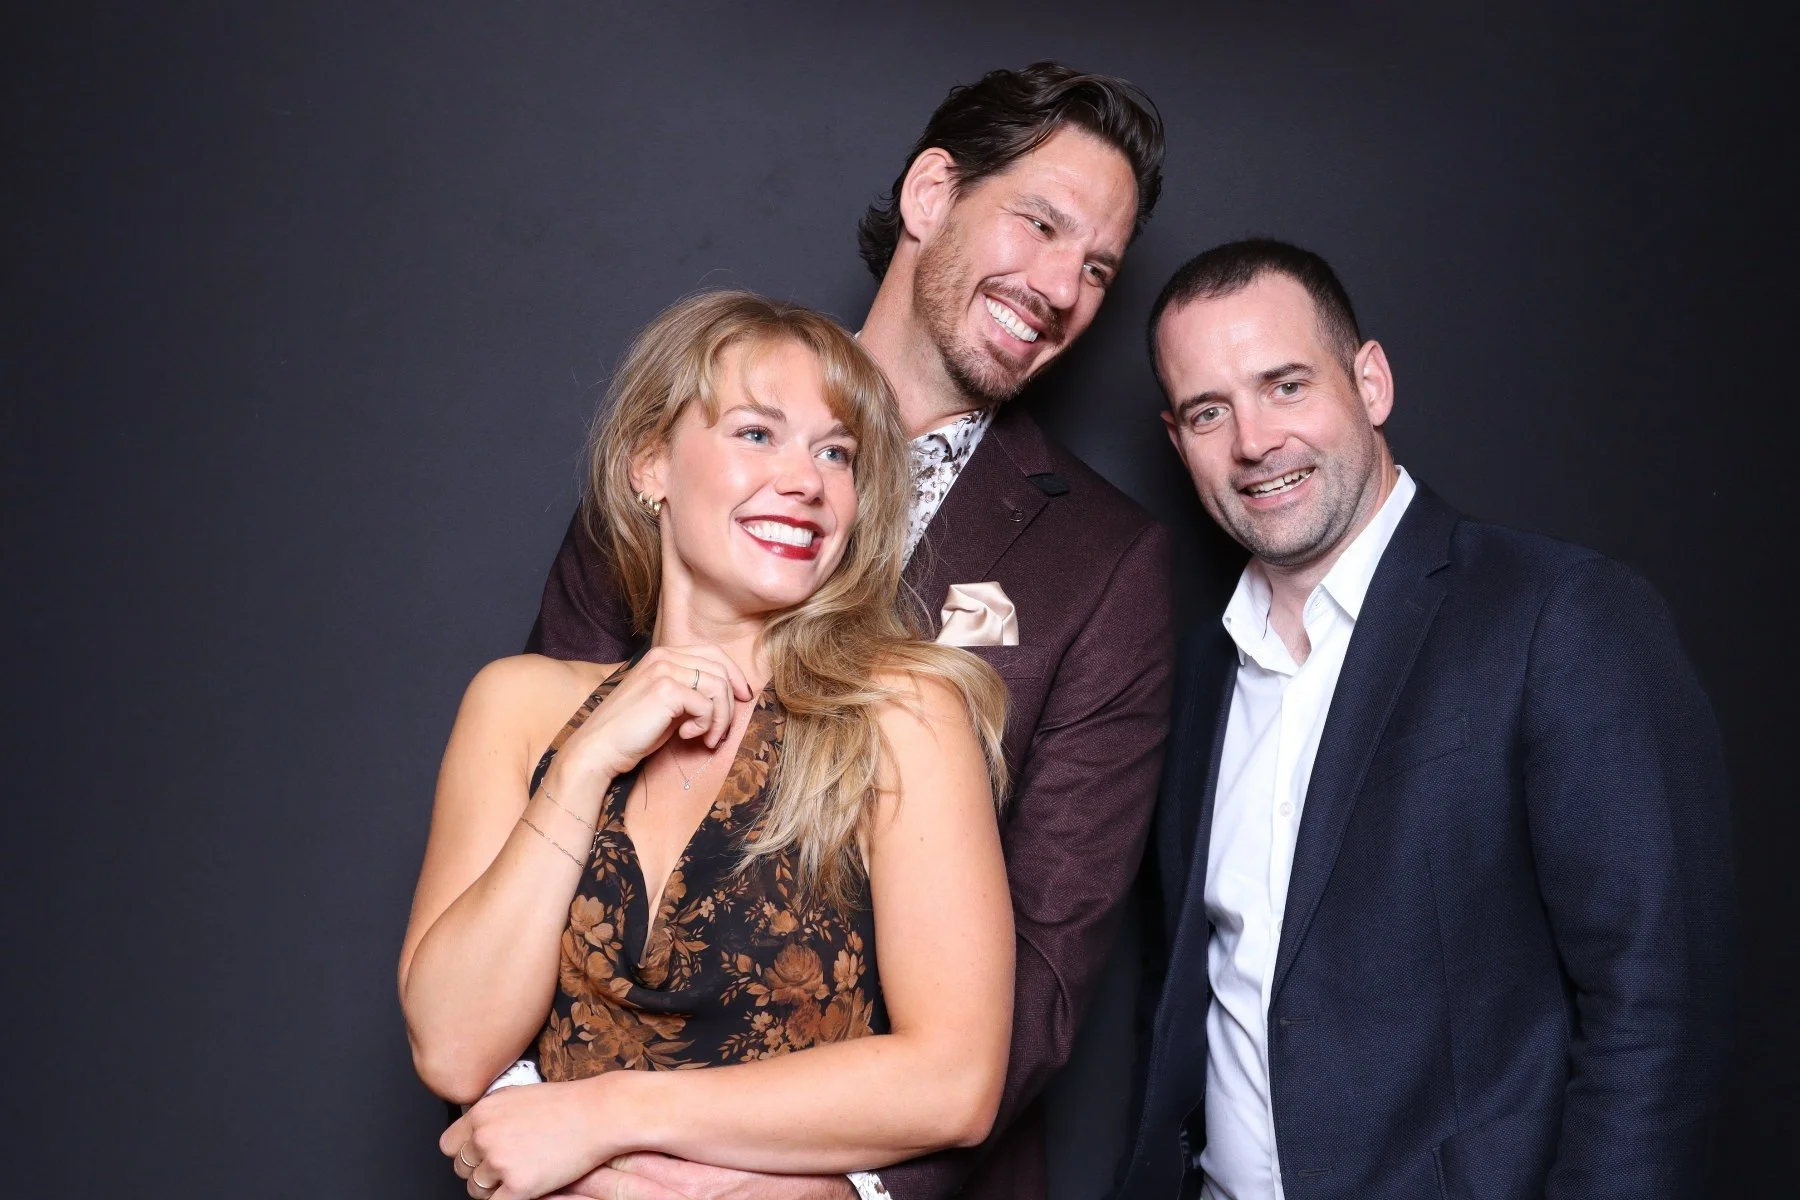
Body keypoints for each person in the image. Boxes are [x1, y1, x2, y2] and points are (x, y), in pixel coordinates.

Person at [528, 64, 1175, 1200]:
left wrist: (830, 1188)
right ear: (932, 193)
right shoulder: (687, 447)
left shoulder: (1110, 567)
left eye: (1099, 268)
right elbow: (528, 808)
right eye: (1041, 223)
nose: (1064, 285)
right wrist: (541, 1121)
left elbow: (1049, 958)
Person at [1116, 239, 1736, 1199]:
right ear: (1177, 439)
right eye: (1210, 411)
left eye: (1285, 386)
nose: (1253, 441)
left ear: (1370, 381)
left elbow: (1659, 1015)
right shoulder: (1200, 670)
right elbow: (1193, 993)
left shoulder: (1559, 617)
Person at [399, 291, 1017, 1200]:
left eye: (835, 453)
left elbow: (955, 1082)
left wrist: (607, 1115)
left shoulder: (903, 713)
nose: (806, 481)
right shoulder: (520, 705)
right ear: (651, 462)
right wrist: (583, 766)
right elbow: (452, 1048)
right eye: (757, 434)